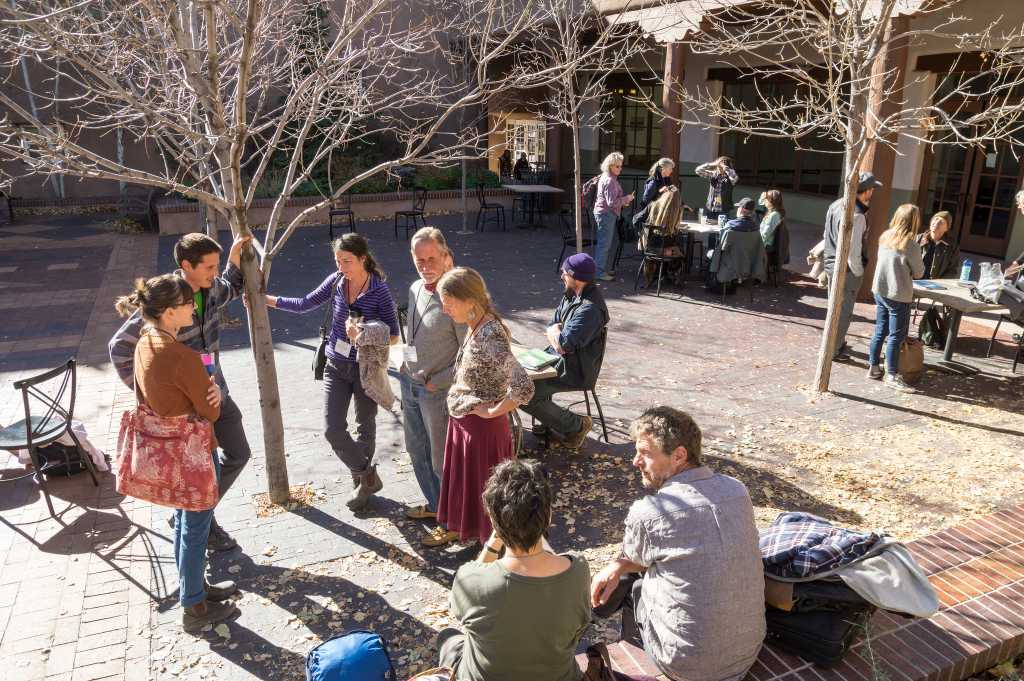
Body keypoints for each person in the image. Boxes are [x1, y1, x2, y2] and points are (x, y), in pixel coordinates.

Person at [591, 407, 765, 681]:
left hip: (686, 665)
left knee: (633, 584)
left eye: (645, 453)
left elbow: (639, 560)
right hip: (747, 651)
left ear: (679, 455)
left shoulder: (651, 512)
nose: (635, 461)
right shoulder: (737, 490)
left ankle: (622, 647)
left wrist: (615, 567)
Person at [109, 232, 252, 552]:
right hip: (187, 413)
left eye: (216, 267)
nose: (214, 273)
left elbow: (230, 286)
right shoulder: (168, 298)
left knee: (239, 452)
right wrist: (149, 393)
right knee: (203, 469)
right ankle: (201, 525)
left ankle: (192, 512)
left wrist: (233, 260)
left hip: (216, 393)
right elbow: (119, 347)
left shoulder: (213, 286)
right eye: (209, 267)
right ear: (186, 266)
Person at [115, 274, 238, 631]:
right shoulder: (181, 356)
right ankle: (195, 608)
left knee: (186, 523)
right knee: (195, 527)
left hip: (170, 449)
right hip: (192, 452)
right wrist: (212, 393)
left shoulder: (144, 342)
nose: (193, 308)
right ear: (169, 312)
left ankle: (194, 588)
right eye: (187, 304)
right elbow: (212, 411)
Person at [265, 234, 399, 511]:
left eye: (346, 261)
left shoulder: (379, 290)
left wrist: (364, 332)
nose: (341, 267)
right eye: (337, 261)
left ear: (363, 259)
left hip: (366, 368)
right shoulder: (337, 281)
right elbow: (305, 303)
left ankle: (361, 487)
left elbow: (394, 335)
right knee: (332, 430)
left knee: (365, 426)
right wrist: (266, 300)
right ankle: (367, 476)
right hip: (336, 365)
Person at [437, 459, 591, 681]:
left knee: (448, 638)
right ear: (548, 515)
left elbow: (464, 603)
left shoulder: (471, 579)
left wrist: (492, 544)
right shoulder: (578, 570)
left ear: (492, 518)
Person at [427, 267, 534, 547]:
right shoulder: (477, 325)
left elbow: (523, 385)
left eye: (449, 303)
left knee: (488, 496)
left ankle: (492, 551)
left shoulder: (490, 335)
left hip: (483, 431)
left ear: (469, 301)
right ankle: (471, 536)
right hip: (466, 424)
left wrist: (492, 411)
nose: (445, 309)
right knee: (470, 491)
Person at [401, 228, 467, 532]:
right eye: (419, 259)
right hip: (410, 383)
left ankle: (454, 523)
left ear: (446, 256)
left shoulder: (457, 297)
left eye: (431, 258)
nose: (425, 265)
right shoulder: (415, 288)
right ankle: (436, 506)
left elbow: (470, 354)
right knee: (417, 451)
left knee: (442, 461)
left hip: (436, 392)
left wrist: (437, 381)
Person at [519, 253, 608, 450]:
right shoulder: (571, 294)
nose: (562, 276)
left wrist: (554, 333)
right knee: (517, 378)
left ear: (576, 277)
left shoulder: (590, 309)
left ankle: (576, 426)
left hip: (575, 369)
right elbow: (553, 324)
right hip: (556, 358)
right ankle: (552, 420)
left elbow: (563, 344)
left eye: (565, 273)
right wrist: (555, 332)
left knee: (523, 393)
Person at [822, 171, 883, 361]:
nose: (873, 193)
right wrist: (859, 272)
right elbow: (853, 251)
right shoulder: (857, 215)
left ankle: (835, 344)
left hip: (832, 264)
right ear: (866, 192)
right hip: (846, 270)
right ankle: (833, 349)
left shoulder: (835, 205)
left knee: (835, 309)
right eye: (872, 189)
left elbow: (826, 235)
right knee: (842, 313)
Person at [867, 204, 925, 393]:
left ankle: (874, 367)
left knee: (880, 330)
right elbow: (919, 273)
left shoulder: (885, 236)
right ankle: (891, 374)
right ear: (914, 222)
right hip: (898, 294)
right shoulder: (911, 245)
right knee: (895, 335)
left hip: (880, 290)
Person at [593, 152, 635, 281]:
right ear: (610, 166)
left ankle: (600, 270)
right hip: (606, 214)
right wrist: (626, 198)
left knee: (604, 243)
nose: (620, 168)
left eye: (621, 166)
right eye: (617, 166)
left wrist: (623, 201)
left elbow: (613, 201)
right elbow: (612, 203)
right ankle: (599, 273)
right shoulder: (610, 180)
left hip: (604, 213)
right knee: (604, 244)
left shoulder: (608, 177)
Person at [917, 211, 958, 279]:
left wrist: (939, 285)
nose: (936, 222)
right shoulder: (917, 239)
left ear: (946, 228)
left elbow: (952, 271)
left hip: (936, 286)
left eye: (941, 221)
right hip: (914, 282)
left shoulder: (952, 246)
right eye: (935, 219)